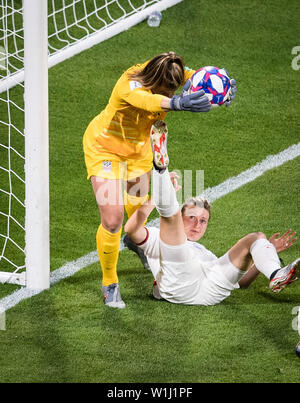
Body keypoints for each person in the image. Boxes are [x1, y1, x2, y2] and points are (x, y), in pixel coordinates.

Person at [83, 52, 237, 309]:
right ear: (154, 82)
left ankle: (135, 242)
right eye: (167, 91)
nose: (170, 93)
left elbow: (197, 78)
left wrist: (220, 91)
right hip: (105, 150)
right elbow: (149, 102)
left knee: (137, 208)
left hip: (140, 151)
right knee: (113, 219)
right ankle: (110, 283)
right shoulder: (129, 85)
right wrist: (176, 103)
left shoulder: (171, 72)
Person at [124, 122, 299, 305]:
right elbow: (131, 229)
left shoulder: (205, 253)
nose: (197, 225)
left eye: (203, 221)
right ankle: (160, 169)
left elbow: (241, 282)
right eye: (191, 218)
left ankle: (275, 273)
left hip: (211, 291)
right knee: (170, 217)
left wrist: (265, 252)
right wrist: (153, 200)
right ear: (183, 218)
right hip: (178, 286)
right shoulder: (157, 237)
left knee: (257, 238)